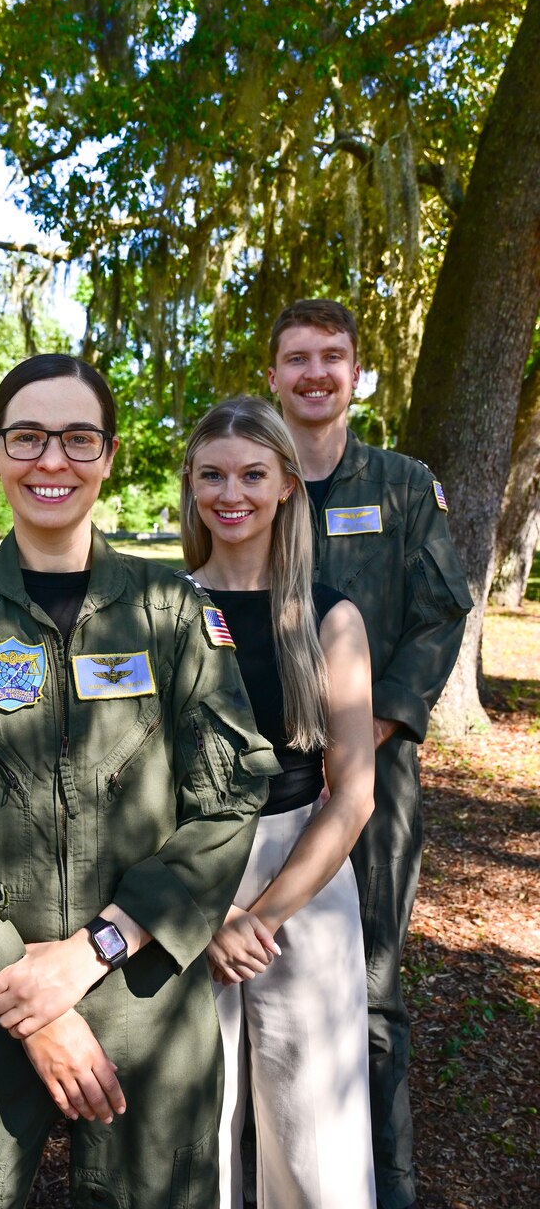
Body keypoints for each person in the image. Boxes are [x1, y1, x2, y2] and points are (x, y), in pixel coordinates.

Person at [0, 354, 279, 1209]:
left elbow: (231, 797)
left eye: (77, 438)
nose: (52, 461)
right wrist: (28, 997)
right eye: (28, 437)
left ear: (110, 455)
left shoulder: (174, 613)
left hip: (145, 986)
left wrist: (99, 949)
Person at [267, 300, 473, 1209]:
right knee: (253, 977)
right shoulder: (249, 477)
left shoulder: (399, 484)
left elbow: (441, 613)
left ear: (357, 374)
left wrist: (374, 728)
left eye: (333, 358)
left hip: (373, 781)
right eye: (298, 359)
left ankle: (387, 1192)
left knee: (374, 992)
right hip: (257, 791)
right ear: (272, 374)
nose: (316, 374)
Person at [180, 396, 376, 1208]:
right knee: (194, 1124)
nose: (233, 494)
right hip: (184, 875)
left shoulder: (330, 617)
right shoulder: (161, 611)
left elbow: (354, 793)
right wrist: (208, 912)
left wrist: (259, 916)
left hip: (304, 875)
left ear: (287, 483)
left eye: (253, 474)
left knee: (314, 1139)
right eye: (213, 475)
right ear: (190, 486)